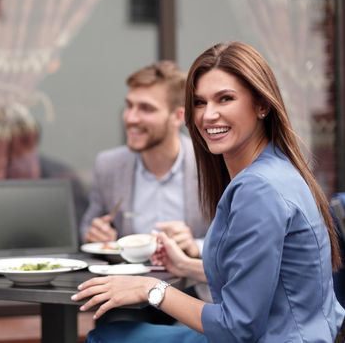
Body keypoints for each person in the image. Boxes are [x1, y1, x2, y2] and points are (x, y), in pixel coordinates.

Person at [72, 42, 345, 342]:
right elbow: (263, 278)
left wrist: (149, 288)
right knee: (115, 330)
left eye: (225, 99)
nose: (208, 115)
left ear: (262, 105)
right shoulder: (278, 170)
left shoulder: (258, 189)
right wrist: (186, 266)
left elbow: (237, 326)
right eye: (200, 103)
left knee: (108, 337)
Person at [80, 61, 209, 261]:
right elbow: (87, 228)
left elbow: (233, 239)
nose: (131, 118)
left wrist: (196, 245)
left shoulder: (210, 164)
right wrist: (96, 234)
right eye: (129, 106)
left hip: (191, 288)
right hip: (128, 285)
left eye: (146, 109)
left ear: (178, 116)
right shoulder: (108, 165)